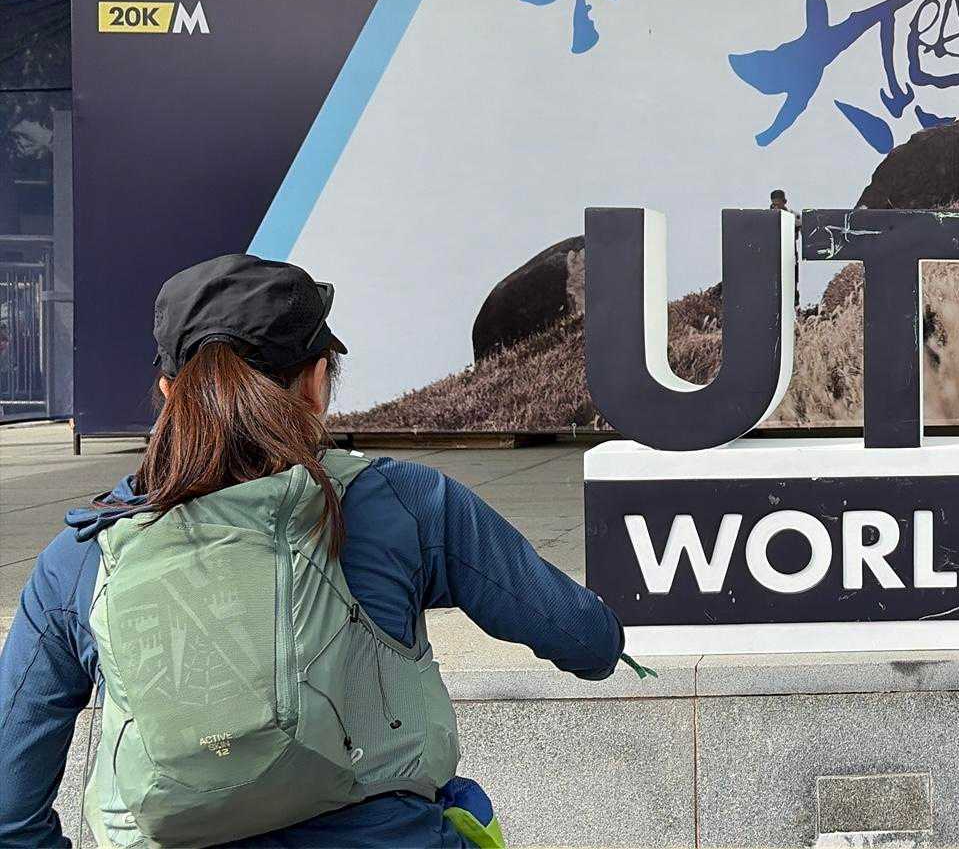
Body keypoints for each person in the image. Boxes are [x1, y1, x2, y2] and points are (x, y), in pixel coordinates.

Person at [0, 255, 625, 847]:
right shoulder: (405, 503)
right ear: (317, 382)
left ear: (168, 391)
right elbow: (588, 642)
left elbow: (10, 812)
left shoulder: (83, 556)